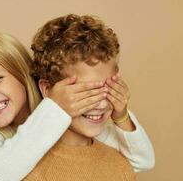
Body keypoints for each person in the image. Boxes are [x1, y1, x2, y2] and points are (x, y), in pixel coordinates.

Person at [0, 30, 154, 181]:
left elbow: (140, 161)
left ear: (22, 74)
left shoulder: (69, 121)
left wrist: (121, 115)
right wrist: (57, 107)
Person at [24, 14, 152, 180]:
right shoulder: (27, 167)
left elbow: (143, 159)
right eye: (86, 92)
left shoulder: (120, 166)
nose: (99, 104)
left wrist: (122, 116)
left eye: (107, 87)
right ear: (48, 89)